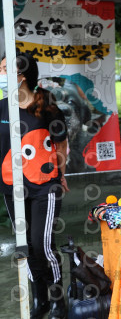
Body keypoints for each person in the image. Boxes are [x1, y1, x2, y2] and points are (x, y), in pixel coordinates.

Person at [0, 52, 69, 318]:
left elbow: (60, 143)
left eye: (5, 69)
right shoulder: (2, 108)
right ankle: (40, 298)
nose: (1, 74)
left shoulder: (47, 107)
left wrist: (61, 174)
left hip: (44, 186)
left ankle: (57, 299)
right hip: (12, 188)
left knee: (42, 245)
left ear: (22, 76)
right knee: (25, 246)